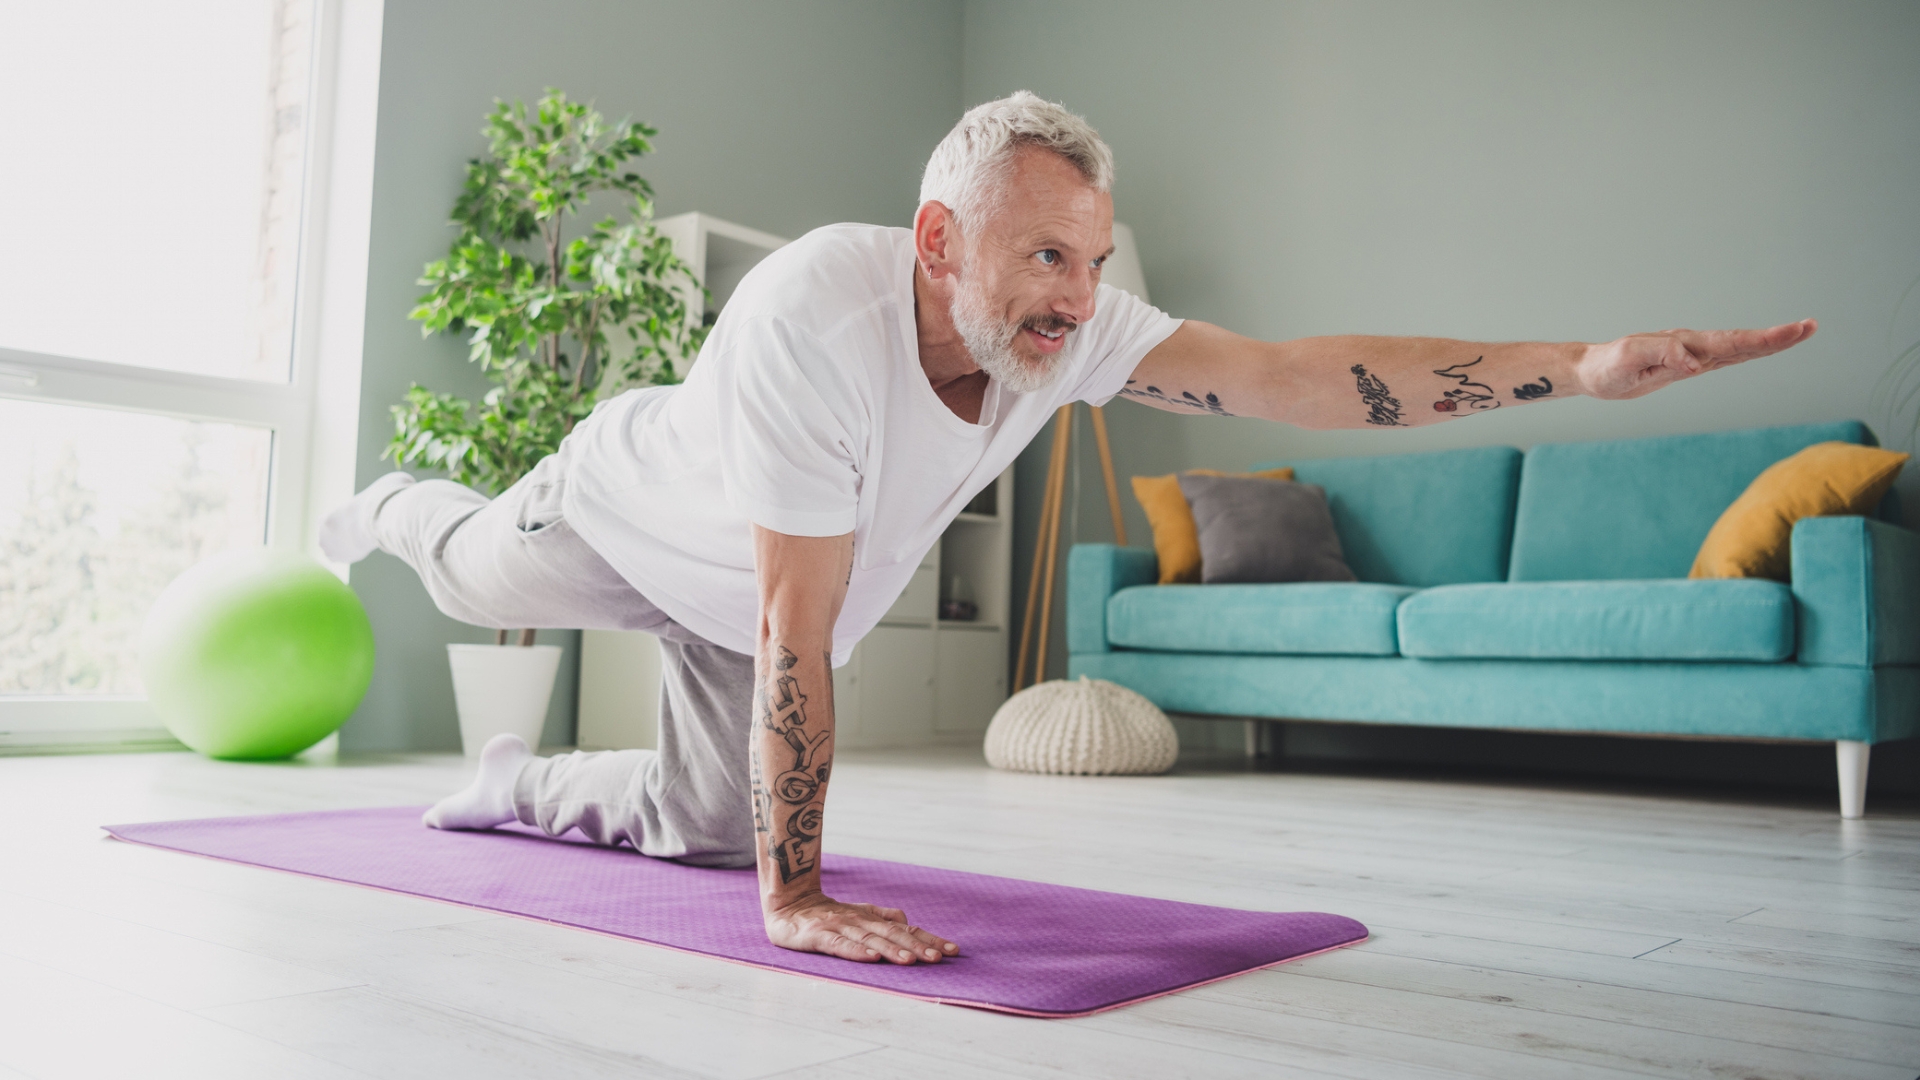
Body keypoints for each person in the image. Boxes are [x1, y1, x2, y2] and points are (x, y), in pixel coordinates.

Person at [320, 91, 1816, 968]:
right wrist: (801, 901)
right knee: (463, 571)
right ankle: (387, 501)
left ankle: (519, 780)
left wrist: (1582, 365)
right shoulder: (810, 322)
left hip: (759, 603)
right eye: (1046, 252)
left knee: (700, 834)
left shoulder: (1074, 332)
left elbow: (1298, 379)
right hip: (627, 516)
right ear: (937, 241)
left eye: (1094, 259)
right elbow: (795, 624)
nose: (1078, 295)